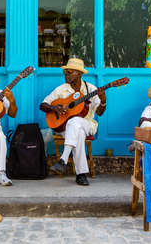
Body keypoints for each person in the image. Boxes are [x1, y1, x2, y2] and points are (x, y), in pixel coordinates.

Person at [39, 58, 106, 186]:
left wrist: (103, 100)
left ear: (79, 74)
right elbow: (42, 105)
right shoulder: (61, 89)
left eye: (69, 72)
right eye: (65, 72)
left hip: (87, 125)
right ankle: (81, 174)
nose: (66, 74)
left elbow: (100, 113)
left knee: (75, 121)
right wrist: (55, 108)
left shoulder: (91, 89)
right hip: (65, 128)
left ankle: (63, 159)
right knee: (77, 133)